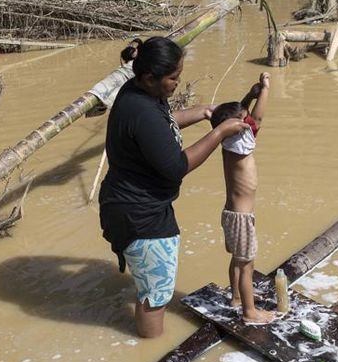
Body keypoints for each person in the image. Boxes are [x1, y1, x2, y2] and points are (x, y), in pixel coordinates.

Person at [99, 36, 247, 339]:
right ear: (149, 77)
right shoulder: (140, 110)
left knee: (151, 286)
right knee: (157, 296)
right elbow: (177, 166)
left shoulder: (141, 93)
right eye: (173, 78)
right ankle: (148, 349)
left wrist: (205, 112)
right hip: (140, 214)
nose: (178, 82)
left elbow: (163, 123)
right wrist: (218, 133)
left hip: (128, 203)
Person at [209, 72, 274, 324]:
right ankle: (250, 312)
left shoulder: (232, 140)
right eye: (242, 120)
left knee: (238, 260)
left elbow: (244, 112)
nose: (247, 121)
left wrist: (249, 94)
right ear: (236, 126)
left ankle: (237, 297)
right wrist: (266, 88)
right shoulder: (239, 139)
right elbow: (257, 117)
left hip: (233, 214)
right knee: (247, 265)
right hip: (242, 217)